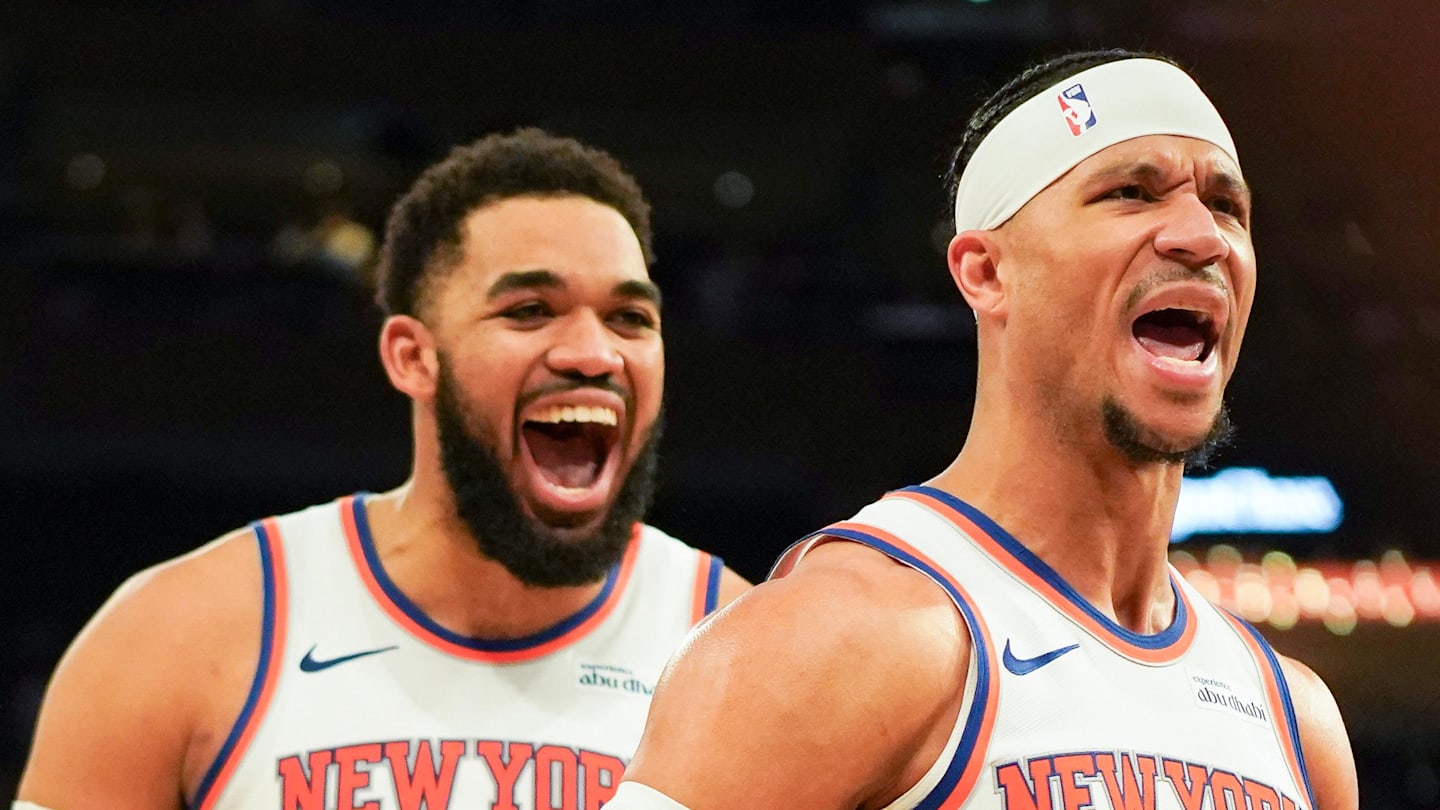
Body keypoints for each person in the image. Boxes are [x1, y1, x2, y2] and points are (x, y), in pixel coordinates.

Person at [607, 50, 1358, 809]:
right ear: (986, 273)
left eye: (1227, 206)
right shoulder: (840, 638)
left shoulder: (1295, 722)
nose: (1204, 238)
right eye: (1131, 193)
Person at [17, 128, 749, 810]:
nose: (594, 355)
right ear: (412, 355)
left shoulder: (743, 653)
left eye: (631, 318)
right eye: (530, 309)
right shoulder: (178, 634)